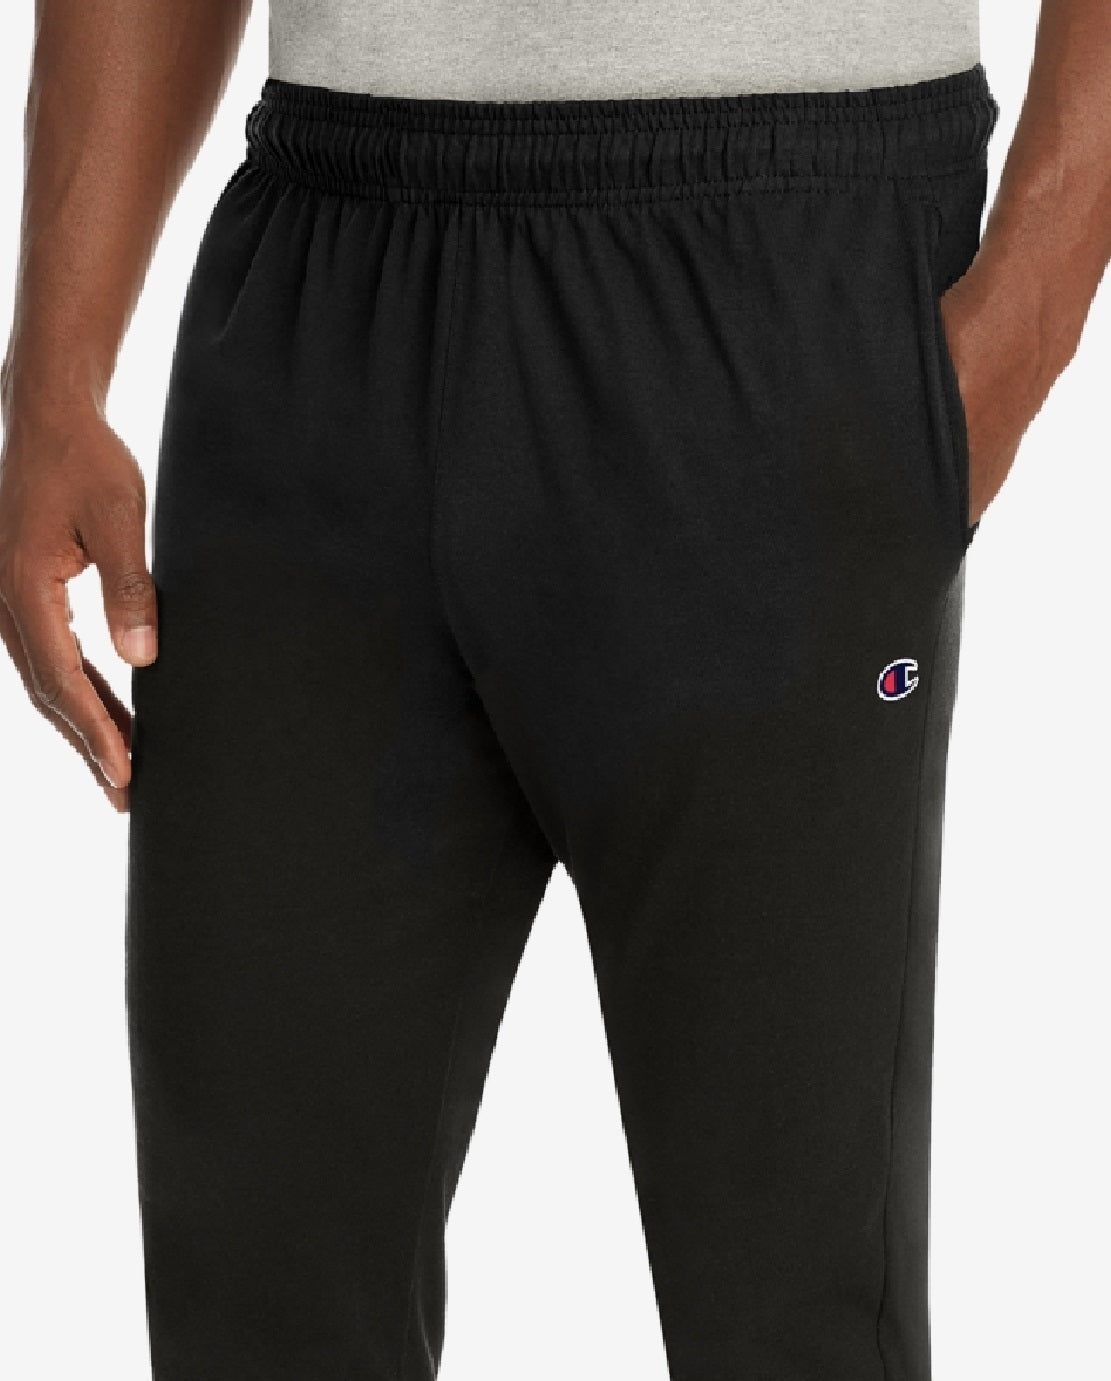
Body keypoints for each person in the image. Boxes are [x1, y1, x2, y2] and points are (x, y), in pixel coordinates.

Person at [0, 1, 1107, 1377]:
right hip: (320, 278)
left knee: (793, 1315)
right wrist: (52, 372)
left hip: (780, 254)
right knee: (254, 1294)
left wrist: (1023, 316)